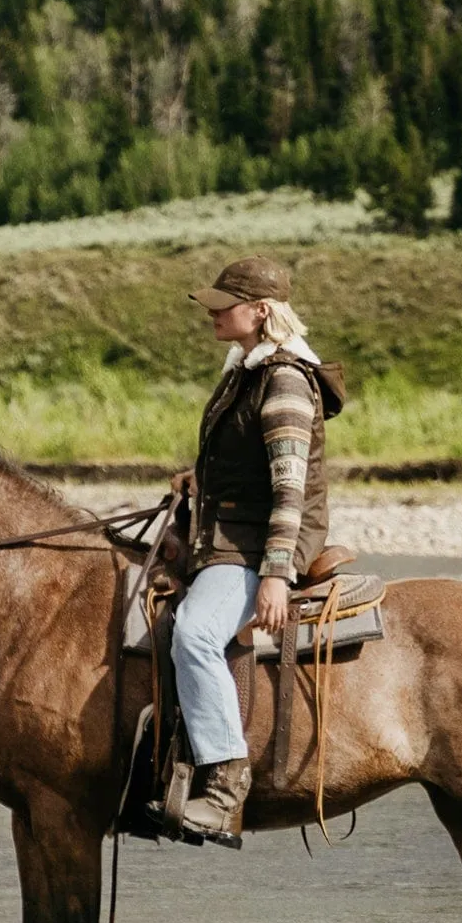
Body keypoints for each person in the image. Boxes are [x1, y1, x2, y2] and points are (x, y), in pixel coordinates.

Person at [169, 255, 345, 847]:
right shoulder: (245, 370)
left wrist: (275, 575)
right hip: (229, 531)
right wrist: (201, 480)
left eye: (225, 305)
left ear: (261, 312)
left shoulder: (287, 380)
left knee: (194, 633)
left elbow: (290, 491)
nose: (213, 313)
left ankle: (223, 784)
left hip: (257, 546)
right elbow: (249, 465)